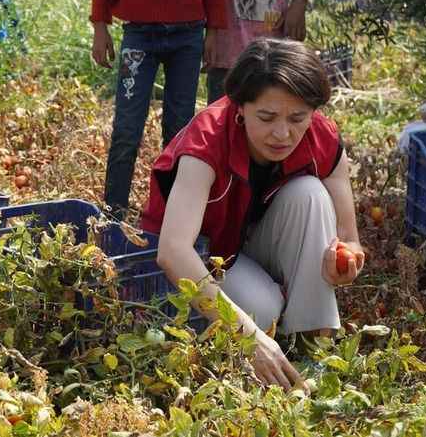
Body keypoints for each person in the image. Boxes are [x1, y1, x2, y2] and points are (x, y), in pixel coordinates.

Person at [140, 38, 365, 390]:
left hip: (251, 242)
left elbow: (351, 240)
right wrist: (248, 335)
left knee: (309, 193)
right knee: (260, 313)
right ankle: (267, 331)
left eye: (297, 118)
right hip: (206, 255)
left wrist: (348, 259)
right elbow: (173, 252)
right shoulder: (208, 139)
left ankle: (311, 347)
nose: (282, 133)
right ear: (239, 107)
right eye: (267, 117)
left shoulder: (320, 136)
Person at [91, 0, 227, 220]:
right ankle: (113, 217)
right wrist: (100, 26)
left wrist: (213, 31)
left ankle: (172, 216)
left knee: (179, 131)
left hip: (188, 34)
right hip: (138, 33)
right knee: (126, 129)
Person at [206, 0, 308, 104]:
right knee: (222, 116)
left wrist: (298, 3)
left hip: (273, 56)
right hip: (225, 53)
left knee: (271, 114)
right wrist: (210, 31)